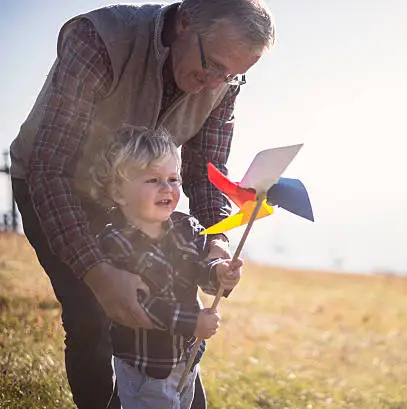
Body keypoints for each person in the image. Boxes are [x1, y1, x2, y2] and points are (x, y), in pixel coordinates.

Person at [9, 1, 275, 408]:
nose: (214, 84)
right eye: (213, 66)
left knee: (171, 303)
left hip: (141, 199)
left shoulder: (223, 81)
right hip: (61, 186)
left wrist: (218, 239)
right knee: (93, 315)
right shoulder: (99, 41)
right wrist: (98, 274)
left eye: (232, 76)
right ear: (185, 20)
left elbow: (208, 170)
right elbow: (51, 170)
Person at [90, 126, 242, 409]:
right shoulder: (115, 242)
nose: (167, 188)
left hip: (184, 359)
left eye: (173, 178)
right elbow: (141, 305)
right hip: (146, 367)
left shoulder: (187, 228)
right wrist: (192, 323)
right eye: (153, 179)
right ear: (119, 192)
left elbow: (202, 272)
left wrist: (220, 272)